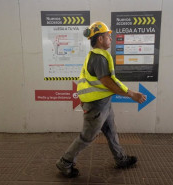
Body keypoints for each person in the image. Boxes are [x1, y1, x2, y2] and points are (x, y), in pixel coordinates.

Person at [56, 21, 146, 178]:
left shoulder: (97, 56)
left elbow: (97, 81)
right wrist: (132, 94)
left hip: (103, 103)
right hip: (97, 106)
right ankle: (65, 162)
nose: (110, 38)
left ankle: (120, 159)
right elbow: (108, 82)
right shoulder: (98, 57)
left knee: (111, 132)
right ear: (100, 39)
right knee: (87, 137)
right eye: (108, 36)